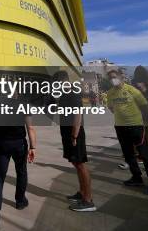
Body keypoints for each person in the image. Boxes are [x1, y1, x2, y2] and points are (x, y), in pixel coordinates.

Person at [0, 93, 37, 226]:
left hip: (1, 143)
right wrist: (33, 147)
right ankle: (20, 201)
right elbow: (30, 128)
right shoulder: (23, 104)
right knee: (21, 172)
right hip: (18, 143)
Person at [106, 69, 148, 195]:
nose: (113, 80)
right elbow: (110, 107)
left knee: (145, 155)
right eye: (110, 78)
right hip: (120, 127)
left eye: (115, 77)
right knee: (128, 154)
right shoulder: (110, 93)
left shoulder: (133, 91)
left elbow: (145, 107)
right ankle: (137, 178)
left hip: (136, 127)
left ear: (121, 77)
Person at [54, 71, 96, 212]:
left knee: (80, 164)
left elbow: (77, 115)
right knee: (76, 164)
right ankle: (82, 193)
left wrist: (74, 136)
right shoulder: (64, 94)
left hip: (74, 136)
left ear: (63, 80)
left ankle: (88, 200)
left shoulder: (73, 92)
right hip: (68, 134)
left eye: (57, 83)